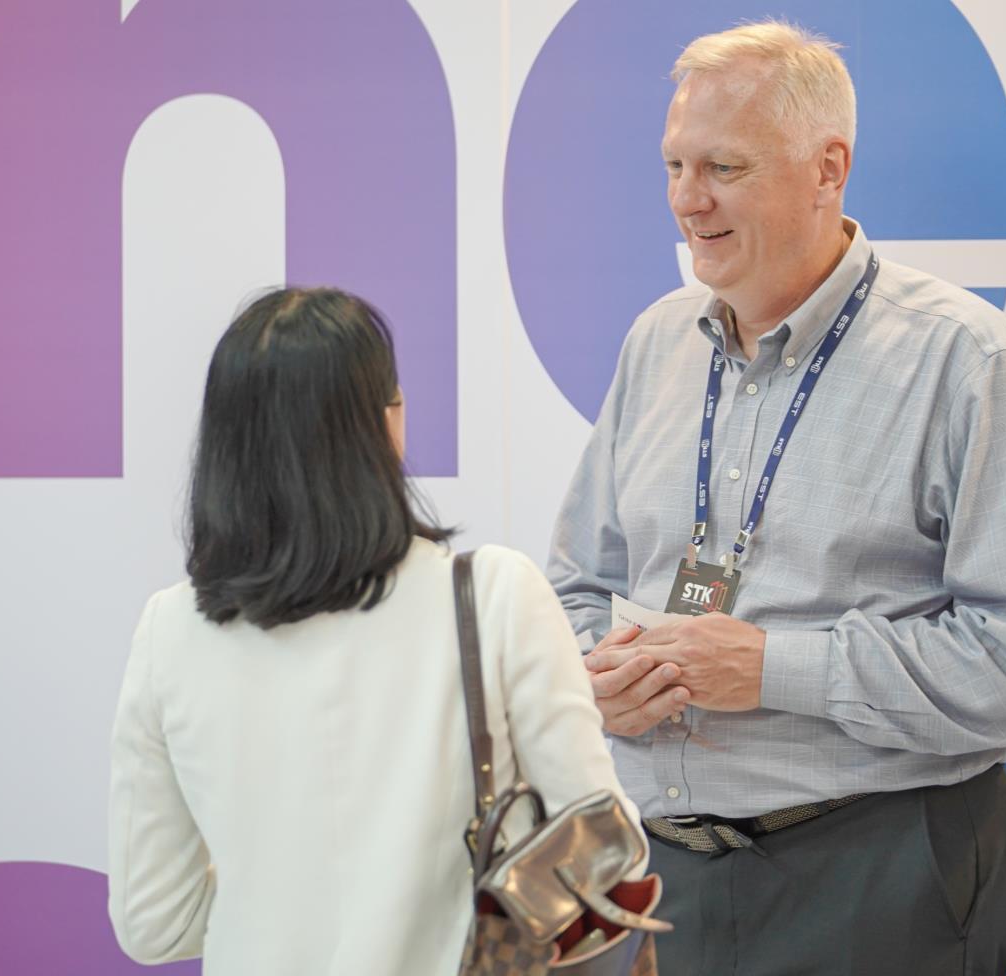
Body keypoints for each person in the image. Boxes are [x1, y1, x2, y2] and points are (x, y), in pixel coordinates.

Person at [546, 21, 1006, 975]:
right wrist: (594, 675)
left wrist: (774, 670)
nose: (686, 200)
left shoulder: (959, 357)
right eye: (674, 165)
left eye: (723, 167)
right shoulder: (656, 342)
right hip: (656, 873)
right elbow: (575, 584)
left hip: (873, 871)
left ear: (827, 169)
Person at [107, 287, 645, 975]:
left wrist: (271, 883)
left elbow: (153, 923)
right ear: (386, 424)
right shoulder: (494, 596)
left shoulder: (170, 631)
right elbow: (608, 855)